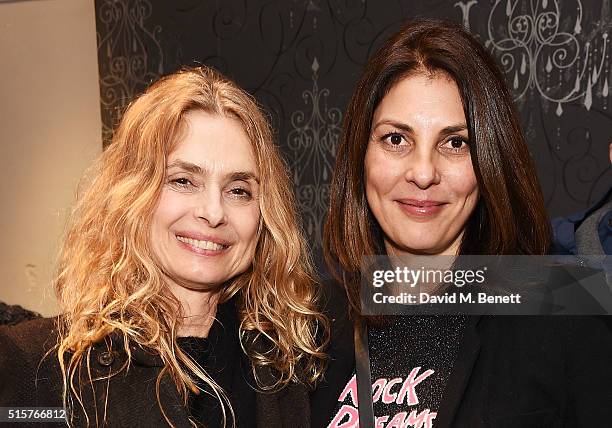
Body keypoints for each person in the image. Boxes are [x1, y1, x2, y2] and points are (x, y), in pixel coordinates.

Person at [317, 18, 612, 427]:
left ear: (490, 161)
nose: (423, 173)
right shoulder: (315, 325)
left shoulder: (567, 299)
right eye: (396, 139)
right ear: (360, 156)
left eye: (455, 143)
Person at [0, 66, 328, 428]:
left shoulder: (288, 362)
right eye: (183, 180)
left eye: (238, 190)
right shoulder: (37, 368)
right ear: (131, 195)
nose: (213, 212)